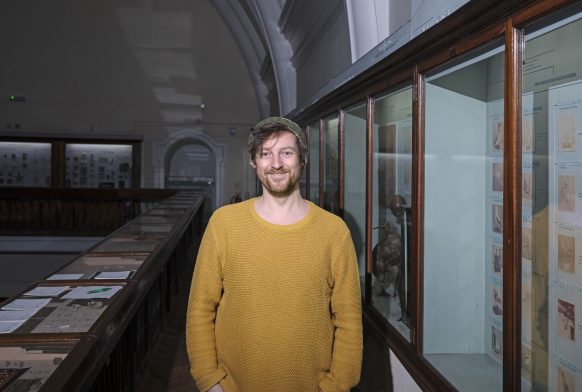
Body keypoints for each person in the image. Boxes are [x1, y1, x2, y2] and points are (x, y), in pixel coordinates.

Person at [186, 117, 363, 392]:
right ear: (254, 162)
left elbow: (349, 319)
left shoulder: (334, 232)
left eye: (287, 152)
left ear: (302, 160)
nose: (276, 163)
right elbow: (200, 308)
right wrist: (209, 380)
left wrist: (336, 386)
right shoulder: (223, 224)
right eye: (265, 154)